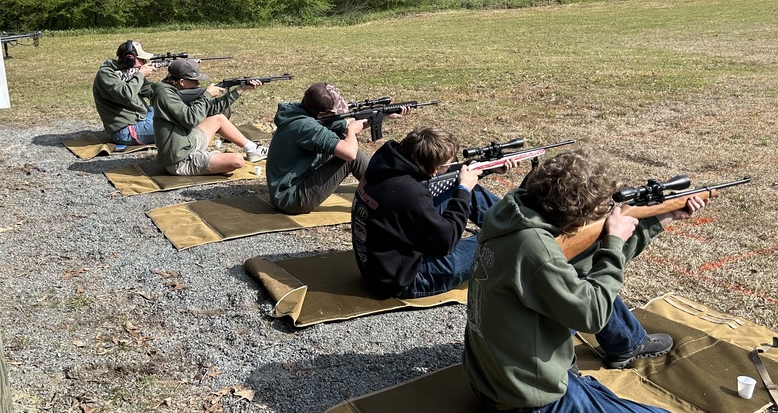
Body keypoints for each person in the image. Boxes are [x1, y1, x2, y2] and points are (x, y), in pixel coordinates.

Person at [463, 148, 705, 413]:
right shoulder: (537, 251)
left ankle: (604, 368)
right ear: (576, 219)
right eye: (598, 214)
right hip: (526, 406)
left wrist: (662, 216)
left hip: (496, 380)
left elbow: (585, 260)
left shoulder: (514, 218)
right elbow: (593, 313)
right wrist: (614, 242)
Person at [352, 126, 519, 299]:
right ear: (432, 170)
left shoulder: (388, 161)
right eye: (448, 163)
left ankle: (514, 220)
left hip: (382, 264)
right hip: (404, 279)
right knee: (499, 241)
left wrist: (487, 167)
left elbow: (445, 179)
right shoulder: (409, 192)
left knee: (469, 191)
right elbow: (446, 241)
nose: (453, 164)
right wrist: (463, 190)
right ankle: (518, 232)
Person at [151, 58, 266, 176]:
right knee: (237, 160)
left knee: (218, 118)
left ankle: (253, 149)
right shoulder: (165, 95)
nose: (198, 84)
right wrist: (206, 95)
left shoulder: (174, 91)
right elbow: (190, 119)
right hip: (180, 160)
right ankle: (209, 158)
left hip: (188, 142)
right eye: (195, 81)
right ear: (182, 82)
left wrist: (241, 89)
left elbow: (212, 108)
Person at [266, 83, 369, 215]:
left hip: (285, 191)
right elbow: (350, 153)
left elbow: (341, 124)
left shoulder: (297, 113)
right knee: (351, 157)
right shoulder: (306, 126)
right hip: (292, 199)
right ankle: (384, 190)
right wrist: (351, 132)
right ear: (321, 114)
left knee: (339, 138)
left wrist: (383, 116)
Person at [92, 40, 161, 144]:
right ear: (130, 60)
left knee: (170, 111)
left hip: (139, 117)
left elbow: (149, 92)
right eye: (141, 60)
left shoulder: (130, 73)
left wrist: (169, 85)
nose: (144, 63)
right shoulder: (106, 74)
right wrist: (141, 74)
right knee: (176, 125)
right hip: (125, 130)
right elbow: (126, 95)